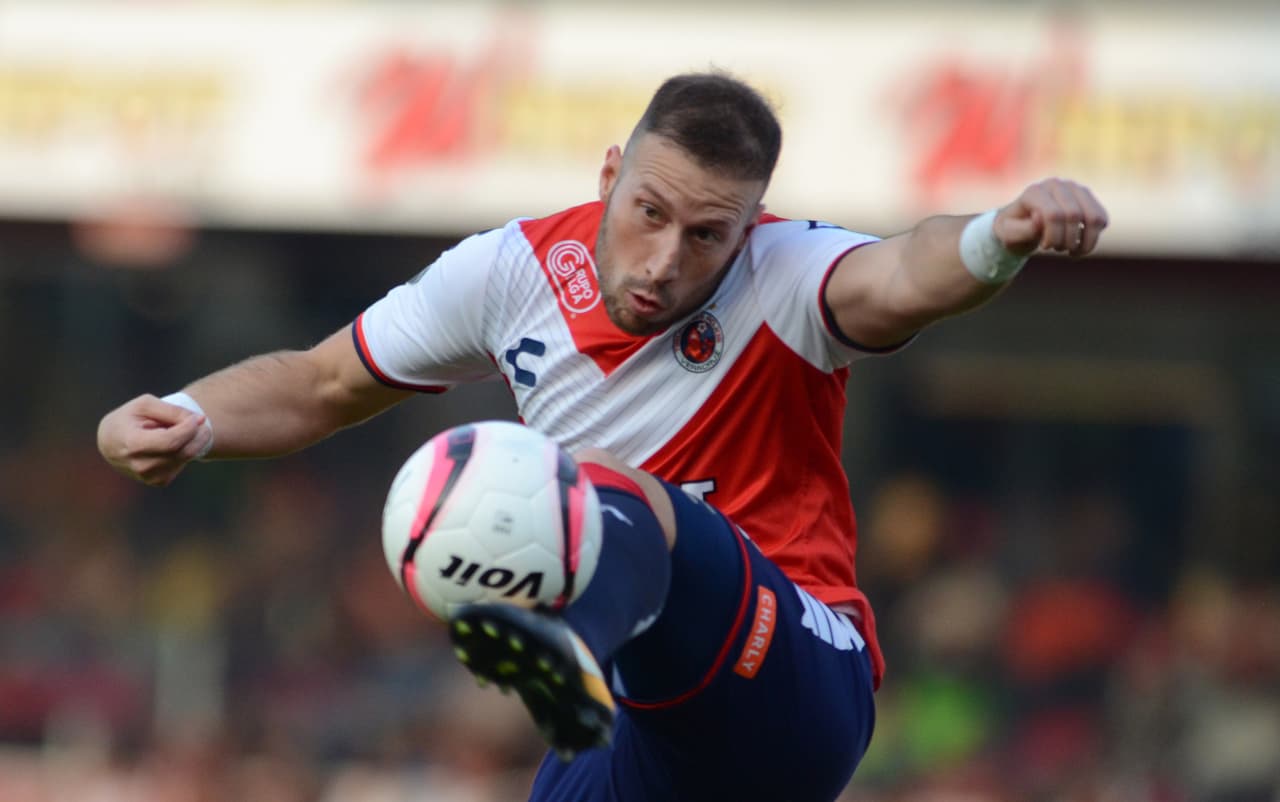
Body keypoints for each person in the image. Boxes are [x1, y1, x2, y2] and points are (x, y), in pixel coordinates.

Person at [97, 72, 1109, 801]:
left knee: (613, 496)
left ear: (751, 225)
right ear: (610, 172)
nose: (667, 258)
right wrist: (190, 415)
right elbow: (323, 381)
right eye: (650, 212)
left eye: (708, 233)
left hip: (792, 681)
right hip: (637, 722)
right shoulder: (507, 273)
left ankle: (552, 646)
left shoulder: (790, 274)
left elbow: (900, 275)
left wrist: (995, 235)